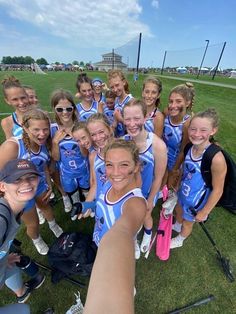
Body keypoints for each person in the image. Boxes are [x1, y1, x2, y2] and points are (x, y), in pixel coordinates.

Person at [84, 138, 147, 314]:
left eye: (124, 164)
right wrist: (86, 206)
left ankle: (128, 287)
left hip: (112, 247)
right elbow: (100, 202)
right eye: (109, 164)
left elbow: (122, 232)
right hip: (99, 239)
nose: (115, 172)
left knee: (117, 273)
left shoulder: (135, 203)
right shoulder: (107, 183)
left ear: (136, 167)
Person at [0, 109, 63, 255]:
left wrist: (48, 184)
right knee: (33, 223)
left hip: (39, 184)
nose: (42, 134)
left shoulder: (45, 143)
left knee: (46, 207)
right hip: (20, 191)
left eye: (45, 129)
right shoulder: (13, 146)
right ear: (25, 128)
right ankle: (36, 239)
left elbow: (45, 167)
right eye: (36, 130)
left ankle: (53, 225)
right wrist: (8, 194)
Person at [170, 108, 227, 249]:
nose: (196, 134)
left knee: (188, 222)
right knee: (178, 209)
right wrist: (178, 185)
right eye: (193, 129)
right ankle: (177, 224)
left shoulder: (216, 158)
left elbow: (218, 190)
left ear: (213, 131)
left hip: (197, 201)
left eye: (203, 130)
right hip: (184, 192)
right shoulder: (189, 147)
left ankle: (181, 239)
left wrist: (205, 211)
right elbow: (185, 168)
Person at [122, 99, 167, 258]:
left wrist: (150, 200)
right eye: (128, 119)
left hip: (147, 193)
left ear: (145, 118)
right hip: (128, 192)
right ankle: (133, 242)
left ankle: (148, 233)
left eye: (137, 118)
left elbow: (159, 177)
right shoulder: (123, 141)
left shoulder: (158, 146)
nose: (132, 123)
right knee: (130, 218)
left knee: (146, 216)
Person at [0, 159, 44, 304]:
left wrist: (4, 260)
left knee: (12, 266)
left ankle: (22, 293)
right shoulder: (1, 217)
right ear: (2, 186)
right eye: (16, 179)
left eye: (31, 177)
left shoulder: (16, 208)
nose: (25, 183)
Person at [51, 89, 89, 208]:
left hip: (83, 168)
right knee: (73, 193)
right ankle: (77, 205)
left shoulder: (81, 126)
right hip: (66, 172)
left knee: (86, 190)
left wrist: (79, 141)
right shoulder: (53, 129)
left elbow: (85, 154)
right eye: (59, 109)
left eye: (68, 108)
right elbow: (56, 158)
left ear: (73, 108)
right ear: (54, 109)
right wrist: (55, 142)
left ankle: (88, 206)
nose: (64, 112)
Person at [107, 70, 133, 137]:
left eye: (117, 85)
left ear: (123, 82)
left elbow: (134, 125)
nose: (115, 89)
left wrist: (120, 119)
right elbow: (115, 121)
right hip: (119, 138)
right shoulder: (116, 99)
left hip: (129, 140)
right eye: (112, 87)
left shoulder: (131, 101)